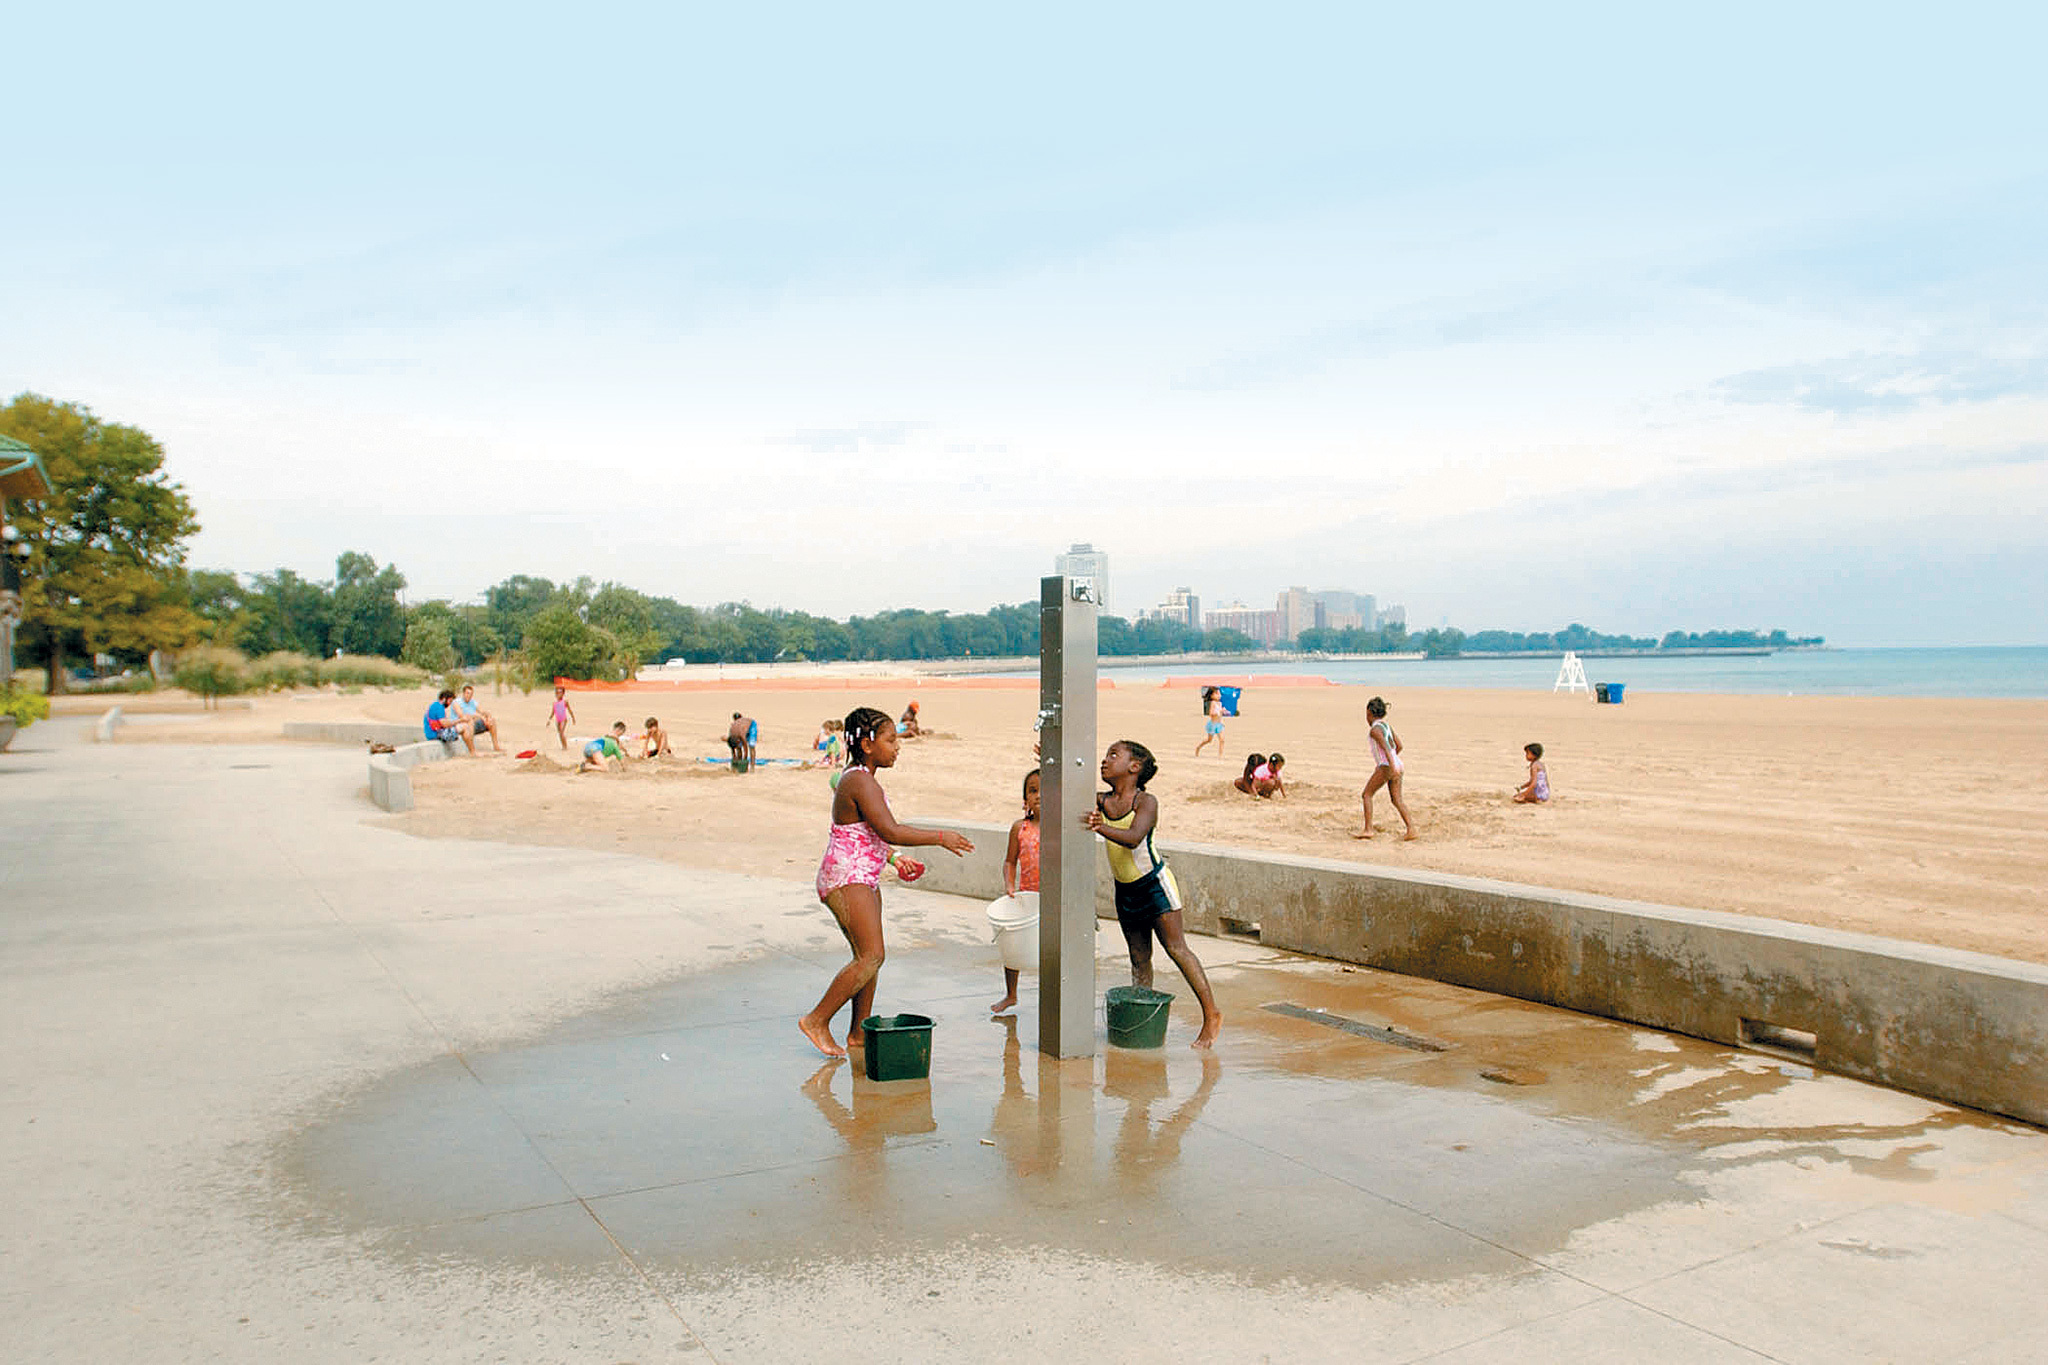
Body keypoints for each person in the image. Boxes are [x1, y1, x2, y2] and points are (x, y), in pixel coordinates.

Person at [799, 706, 974, 1059]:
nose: (898, 746)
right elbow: (890, 828)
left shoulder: (861, 778)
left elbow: (869, 833)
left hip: (860, 875)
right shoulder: (859, 780)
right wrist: (940, 837)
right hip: (847, 878)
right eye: (891, 739)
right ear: (867, 744)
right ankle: (817, 1020)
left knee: (869, 958)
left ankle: (858, 1034)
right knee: (871, 956)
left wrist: (893, 858)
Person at [1084, 740, 1223, 1049]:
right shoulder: (1102, 801)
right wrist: (1055, 760)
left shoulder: (1145, 802)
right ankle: (1141, 1015)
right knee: (1138, 958)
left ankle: (1211, 1014)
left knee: (1177, 949)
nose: (1104, 760)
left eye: (1113, 755)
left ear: (1135, 767)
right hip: (1125, 890)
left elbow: (1134, 838)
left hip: (1154, 884)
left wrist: (1099, 829)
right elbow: (1066, 791)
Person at [992, 768, 1041, 1015]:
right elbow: (1010, 861)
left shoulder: (1061, 827)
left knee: (1052, 949)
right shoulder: (1019, 828)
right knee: (1012, 945)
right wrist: (1009, 885)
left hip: (1054, 898)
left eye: (1046, 790)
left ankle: (1056, 995)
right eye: (1033, 791)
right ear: (1025, 801)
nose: (1039, 795)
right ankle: (1011, 994)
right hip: (1026, 895)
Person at [1357, 696, 1417, 840]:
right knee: (1397, 800)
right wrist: (1395, 761)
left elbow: (1386, 746)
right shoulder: (1387, 726)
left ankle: (1368, 829)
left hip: (1387, 766)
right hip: (1397, 764)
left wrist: (1389, 763)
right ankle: (1411, 829)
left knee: (1367, 794)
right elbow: (1399, 746)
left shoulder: (1374, 730)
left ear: (1370, 713)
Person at [423, 689, 476, 755]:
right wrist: (460, 720)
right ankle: (472, 751)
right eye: (450, 701)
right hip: (436, 734)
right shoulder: (439, 707)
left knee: (462, 726)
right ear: (445, 699)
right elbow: (445, 724)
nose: (450, 704)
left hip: (434, 732)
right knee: (464, 727)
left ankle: (471, 750)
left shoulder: (435, 705)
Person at [455, 684, 503, 754]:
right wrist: (479, 717)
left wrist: (487, 717)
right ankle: (472, 751)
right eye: (467, 693)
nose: (469, 695)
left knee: (492, 720)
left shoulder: (473, 702)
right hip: (465, 725)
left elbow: (482, 711)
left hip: (475, 723)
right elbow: (462, 716)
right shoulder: (457, 703)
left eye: (471, 694)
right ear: (463, 693)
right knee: (470, 722)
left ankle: (496, 746)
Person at [1194, 686, 1225, 758]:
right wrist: (1216, 713)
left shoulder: (1219, 703)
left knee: (1222, 740)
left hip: (1219, 724)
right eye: (1217, 694)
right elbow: (1211, 713)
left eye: (1219, 694)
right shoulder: (1213, 703)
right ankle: (1198, 747)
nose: (1219, 695)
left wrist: (1222, 712)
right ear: (1212, 696)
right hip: (1212, 725)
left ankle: (1220, 756)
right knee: (1209, 740)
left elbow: (1220, 715)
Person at [548, 685, 575, 751]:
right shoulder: (555, 703)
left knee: (561, 732)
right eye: (557, 693)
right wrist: (549, 720)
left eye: (560, 692)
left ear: (563, 694)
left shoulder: (565, 702)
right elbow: (553, 712)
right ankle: (563, 745)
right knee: (559, 733)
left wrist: (573, 718)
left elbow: (570, 710)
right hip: (558, 720)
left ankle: (565, 746)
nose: (558, 694)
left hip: (563, 719)